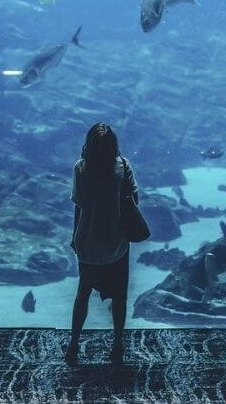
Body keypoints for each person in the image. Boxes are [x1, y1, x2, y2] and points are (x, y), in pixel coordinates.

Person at [65, 122, 138, 367]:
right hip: (116, 241)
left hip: (88, 240)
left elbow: (79, 205)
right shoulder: (123, 165)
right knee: (119, 297)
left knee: (82, 294)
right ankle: (118, 344)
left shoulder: (81, 168)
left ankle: (73, 345)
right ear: (113, 145)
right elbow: (134, 198)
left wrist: (75, 237)